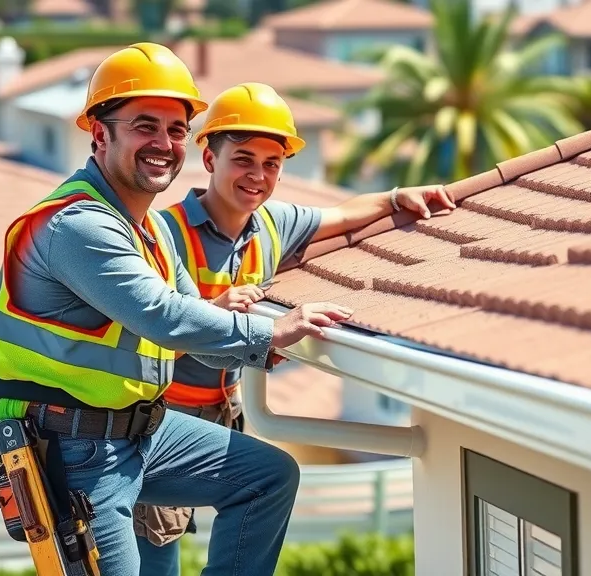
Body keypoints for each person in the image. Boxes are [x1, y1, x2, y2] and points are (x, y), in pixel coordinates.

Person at [0, 43, 353, 576]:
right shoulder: (79, 225)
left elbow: (187, 309)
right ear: (100, 134)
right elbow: (162, 315)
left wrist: (256, 340)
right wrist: (269, 335)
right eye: (145, 126)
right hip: (73, 446)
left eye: (176, 130)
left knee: (268, 476)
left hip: (138, 431)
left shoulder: (146, 227)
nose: (164, 143)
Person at [131, 82, 456, 576]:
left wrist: (395, 198)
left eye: (272, 163)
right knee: (155, 557)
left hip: (223, 415)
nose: (258, 175)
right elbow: (141, 339)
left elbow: (343, 214)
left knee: (255, 503)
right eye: (243, 159)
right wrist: (212, 313)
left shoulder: (272, 224)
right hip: (158, 420)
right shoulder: (164, 234)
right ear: (210, 158)